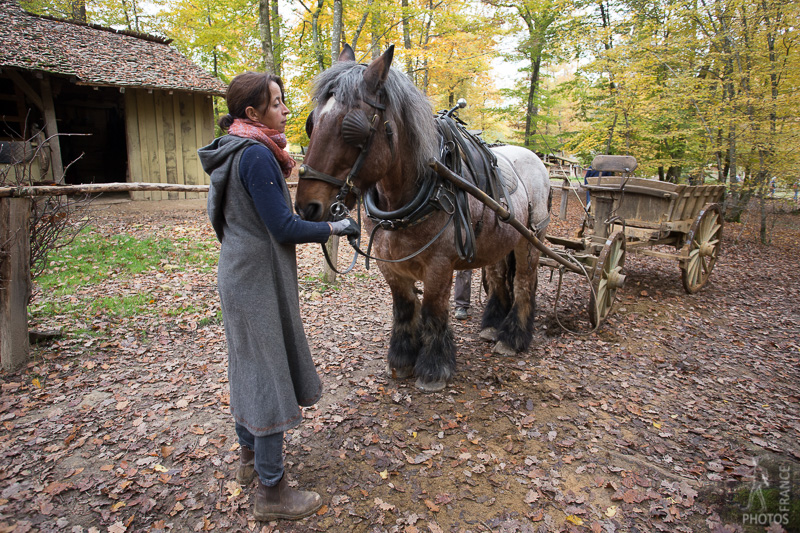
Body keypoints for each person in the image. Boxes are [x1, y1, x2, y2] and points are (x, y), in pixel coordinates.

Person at [198, 71, 360, 521]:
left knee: (247, 365)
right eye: (276, 102)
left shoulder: (232, 149)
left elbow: (222, 219)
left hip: (238, 271)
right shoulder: (255, 156)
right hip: (256, 280)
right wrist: (336, 226)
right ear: (252, 114)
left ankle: (249, 458)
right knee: (267, 373)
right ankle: (272, 492)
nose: (286, 109)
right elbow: (284, 227)